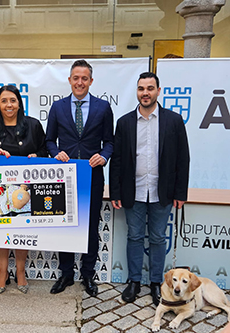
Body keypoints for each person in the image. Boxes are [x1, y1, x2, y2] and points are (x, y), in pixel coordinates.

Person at [109, 72, 190, 306]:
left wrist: (180, 193)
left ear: (158, 91)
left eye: (150, 88)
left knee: (157, 238)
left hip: (161, 192)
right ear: (137, 91)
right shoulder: (124, 122)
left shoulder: (173, 120)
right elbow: (117, 161)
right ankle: (134, 281)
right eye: (141, 88)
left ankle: (157, 283)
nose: (145, 93)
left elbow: (183, 159)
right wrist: (115, 192)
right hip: (132, 191)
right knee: (134, 236)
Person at [45, 60, 114, 296]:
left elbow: (110, 142)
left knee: (89, 225)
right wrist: (56, 153)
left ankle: (87, 274)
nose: (80, 82)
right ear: (69, 80)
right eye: (76, 77)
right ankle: (66, 273)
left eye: (84, 78)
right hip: (63, 177)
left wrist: (103, 157)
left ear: (91, 81)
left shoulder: (103, 108)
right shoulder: (58, 107)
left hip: (92, 176)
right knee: (64, 225)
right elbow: (49, 141)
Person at [0, 85, 47, 295]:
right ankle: (2, 273)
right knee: (1, 230)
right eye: (4, 101)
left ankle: (20, 272)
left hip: (25, 191)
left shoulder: (33, 125)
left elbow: (44, 149)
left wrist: (37, 156)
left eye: (13, 100)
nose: (9, 105)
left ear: (19, 103)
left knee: (22, 230)